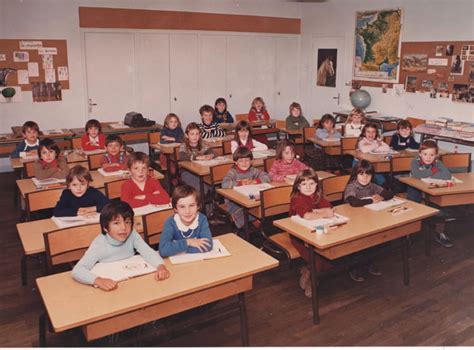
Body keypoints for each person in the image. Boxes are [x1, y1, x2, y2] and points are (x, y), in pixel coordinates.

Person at [71, 201, 170, 291]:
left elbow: (147, 252)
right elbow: (78, 270)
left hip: (131, 283)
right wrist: (98, 280)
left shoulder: (132, 234)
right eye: (116, 223)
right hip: (110, 286)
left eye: (127, 222)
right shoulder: (99, 244)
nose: (123, 228)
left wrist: (160, 266)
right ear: (105, 227)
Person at [343, 159, 393, 282]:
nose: (365, 178)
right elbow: (353, 202)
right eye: (361, 174)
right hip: (353, 221)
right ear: (355, 175)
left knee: (372, 242)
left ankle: (369, 262)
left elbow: (389, 194)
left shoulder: (372, 186)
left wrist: (381, 196)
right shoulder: (352, 186)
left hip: (368, 219)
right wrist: (372, 200)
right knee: (358, 245)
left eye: (368, 174)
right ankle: (354, 267)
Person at [289, 169, 335, 298]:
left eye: (312, 183)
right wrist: (323, 213)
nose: (308, 187)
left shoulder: (318, 196)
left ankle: (309, 270)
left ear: (317, 185)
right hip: (299, 235)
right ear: (298, 186)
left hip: (317, 230)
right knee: (316, 256)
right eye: (304, 184)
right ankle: (312, 278)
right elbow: (307, 216)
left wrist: (320, 212)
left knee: (327, 253)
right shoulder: (297, 198)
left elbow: (329, 208)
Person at [407, 140, 453, 248]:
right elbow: (417, 174)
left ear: (436, 155)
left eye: (432, 155)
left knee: (441, 207)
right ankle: (410, 233)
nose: (428, 157)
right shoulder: (415, 162)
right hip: (415, 190)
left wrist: (427, 174)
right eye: (425, 154)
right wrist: (433, 171)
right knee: (413, 205)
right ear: (420, 154)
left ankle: (440, 232)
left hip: (431, 190)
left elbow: (447, 175)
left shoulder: (437, 162)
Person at [222, 147, 271, 230]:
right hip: (234, 202)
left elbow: (268, 177)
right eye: (241, 161)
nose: (244, 163)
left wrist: (256, 181)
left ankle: (254, 220)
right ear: (235, 162)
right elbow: (225, 184)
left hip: (248, 197)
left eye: (247, 160)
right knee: (241, 211)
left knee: (262, 205)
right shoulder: (233, 172)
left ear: (251, 161)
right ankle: (249, 222)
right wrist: (241, 183)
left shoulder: (252, 170)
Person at [159, 184, 213, 257]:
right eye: (182, 207)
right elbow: (163, 250)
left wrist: (176, 250)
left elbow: (207, 245)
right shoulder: (170, 223)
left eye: (191, 205)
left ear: (198, 206)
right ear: (175, 209)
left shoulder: (201, 219)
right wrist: (188, 242)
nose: (187, 211)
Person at [178, 122, 216, 191]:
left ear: (200, 135)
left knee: (213, 182)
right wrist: (197, 157)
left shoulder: (202, 144)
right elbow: (182, 156)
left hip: (201, 170)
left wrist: (210, 155)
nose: (195, 136)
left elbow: (213, 152)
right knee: (202, 187)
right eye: (192, 134)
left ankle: (209, 198)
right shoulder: (184, 145)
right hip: (187, 173)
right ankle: (201, 199)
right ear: (187, 135)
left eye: (197, 134)